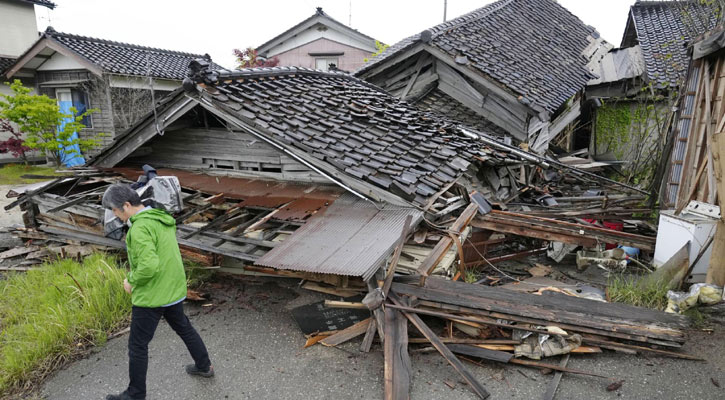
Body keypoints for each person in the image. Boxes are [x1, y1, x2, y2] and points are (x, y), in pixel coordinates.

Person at [103, 184, 213, 400]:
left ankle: (135, 394)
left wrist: (131, 281)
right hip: (172, 288)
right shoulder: (160, 218)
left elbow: (149, 265)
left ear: (126, 205)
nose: (115, 215)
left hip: (153, 295)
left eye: (115, 210)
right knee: (184, 328)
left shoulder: (140, 228)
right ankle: (204, 366)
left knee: (137, 345)